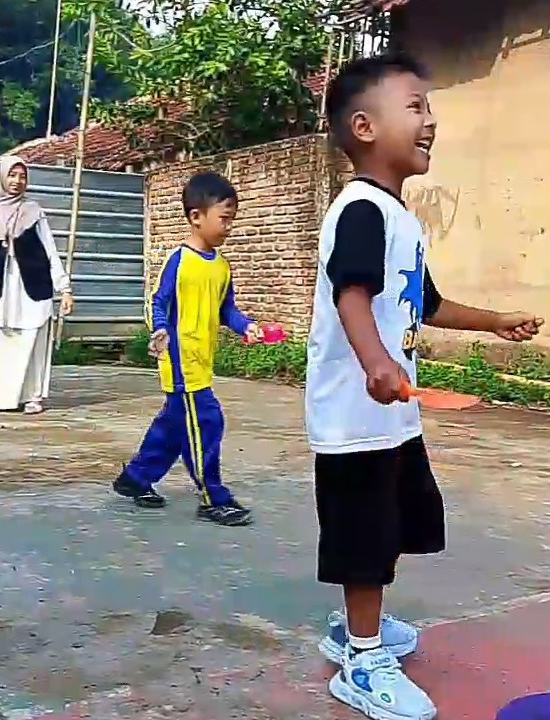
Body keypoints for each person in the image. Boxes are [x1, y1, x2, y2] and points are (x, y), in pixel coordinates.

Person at [306, 53, 544, 720]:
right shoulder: (359, 209)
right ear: (364, 127)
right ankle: (361, 658)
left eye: (429, 107)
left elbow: (425, 302)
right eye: (414, 106)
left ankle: (359, 628)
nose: (431, 120)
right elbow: (352, 294)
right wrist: (377, 362)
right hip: (354, 416)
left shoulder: (400, 218)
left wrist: (492, 321)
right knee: (363, 538)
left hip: (391, 415)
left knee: (390, 526)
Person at [113, 171, 263, 527]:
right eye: (224, 218)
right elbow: (159, 302)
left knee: (173, 427)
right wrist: (160, 330)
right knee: (206, 422)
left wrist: (246, 326)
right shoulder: (179, 261)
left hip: (202, 360)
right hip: (181, 363)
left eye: (232, 219)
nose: (229, 227)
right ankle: (213, 498)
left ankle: (135, 478)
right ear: (196, 216)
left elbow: (226, 309)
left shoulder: (222, 267)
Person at [0, 155, 73, 414]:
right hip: (2, 287)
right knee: (3, 341)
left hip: (34, 285)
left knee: (34, 340)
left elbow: (50, 250)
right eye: (12, 175)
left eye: (22, 176)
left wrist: (65, 289)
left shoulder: (33, 211)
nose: (17, 181)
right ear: (1, 177)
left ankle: (33, 397)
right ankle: (2, 398)